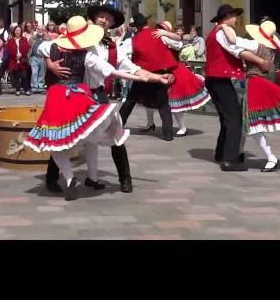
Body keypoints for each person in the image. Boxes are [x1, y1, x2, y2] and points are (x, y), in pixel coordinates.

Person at [26, 15, 171, 201]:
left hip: (92, 94)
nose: (104, 20)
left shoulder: (112, 47)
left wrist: (153, 77)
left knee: (107, 135)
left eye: (109, 19)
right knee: (61, 136)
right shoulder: (81, 48)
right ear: (92, 21)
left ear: (111, 25)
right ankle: (54, 178)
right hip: (78, 94)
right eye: (101, 17)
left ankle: (112, 178)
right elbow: (39, 47)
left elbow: (128, 68)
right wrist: (50, 64)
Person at [219, 19, 280, 172]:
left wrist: (223, 26)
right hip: (261, 84)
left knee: (253, 125)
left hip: (256, 85)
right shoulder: (270, 50)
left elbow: (233, 40)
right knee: (246, 123)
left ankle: (271, 157)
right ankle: (239, 154)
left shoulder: (256, 45)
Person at [204, 4, 272, 172]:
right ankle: (230, 159)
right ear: (227, 16)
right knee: (234, 118)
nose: (237, 19)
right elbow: (237, 50)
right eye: (235, 15)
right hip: (219, 80)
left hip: (215, 79)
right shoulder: (223, 32)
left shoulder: (217, 32)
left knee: (226, 118)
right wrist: (261, 60)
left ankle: (222, 153)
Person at [143, 21, 211, 136]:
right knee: (148, 99)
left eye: (162, 29)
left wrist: (165, 35)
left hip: (175, 71)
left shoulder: (170, 40)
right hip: (158, 71)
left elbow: (178, 43)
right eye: (158, 28)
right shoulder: (155, 39)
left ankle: (182, 127)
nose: (158, 31)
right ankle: (150, 123)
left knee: (174, 101)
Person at [118, 13, 178, 141]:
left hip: (144, 75)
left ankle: (117, 127)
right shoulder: (159, 34)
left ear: (137, 27)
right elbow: (178, 43)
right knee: (163, 104)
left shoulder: (133, 40)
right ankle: (168, 134)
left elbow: (121, 55)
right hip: (161, 74)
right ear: (146, 23)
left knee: (130, 101)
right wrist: (166, 34)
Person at [6, 25, 31, 96]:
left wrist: (21, 55)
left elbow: (26, 48)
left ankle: (26, 90)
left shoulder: (24, 39)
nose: (17, 32)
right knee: (16, 76)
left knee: (24, 76)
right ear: (14, 31)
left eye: (19, 30)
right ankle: (17, 90)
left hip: (22, 60)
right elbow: (9, 50)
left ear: (21, 31)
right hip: (14, 60)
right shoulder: (10, 40)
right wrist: (15, 56)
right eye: (16, 30)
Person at [28, 24, 47, 93]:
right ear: (36, 30)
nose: (40, 30)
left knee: (42, 73)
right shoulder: (32, 37)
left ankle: (41, 87)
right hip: (34, 57)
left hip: (43, 58)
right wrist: (28, 58)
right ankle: (34, 87)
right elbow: (29, 47)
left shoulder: (47, 38)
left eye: (41, 29)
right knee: (34, 73)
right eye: (39, 29)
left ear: (44, 30)